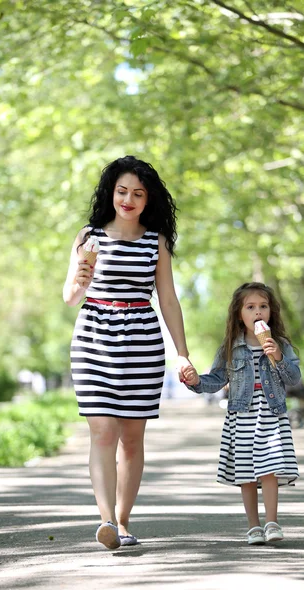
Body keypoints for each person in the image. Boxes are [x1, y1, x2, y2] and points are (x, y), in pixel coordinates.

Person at [63, 155, 192, 550]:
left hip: (142, 341)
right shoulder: (89, 237)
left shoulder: (157, 243)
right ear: (111, 193)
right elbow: (69, 297)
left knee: (132, 439)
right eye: (122, 191)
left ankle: (122, 520)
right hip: (94, 338)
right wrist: (81, 280)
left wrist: (182, 354)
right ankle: (104, 521)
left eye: (138, 193)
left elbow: (168, 300)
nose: (129, 199)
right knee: (102, 430)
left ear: (148, 199)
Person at [182, 282, 301, 545]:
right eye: (250, 307)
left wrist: (278, 357)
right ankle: (253, 526)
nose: (258, 312)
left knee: (269, 468)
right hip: (242, 415)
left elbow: (294, 378)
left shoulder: (279, 343)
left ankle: (272, 522)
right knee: (246, 472)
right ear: (239, 314)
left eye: (263, 306)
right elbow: (215, 379)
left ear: (271, 312)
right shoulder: (230, 347)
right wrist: (195, 381)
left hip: (271, 414)